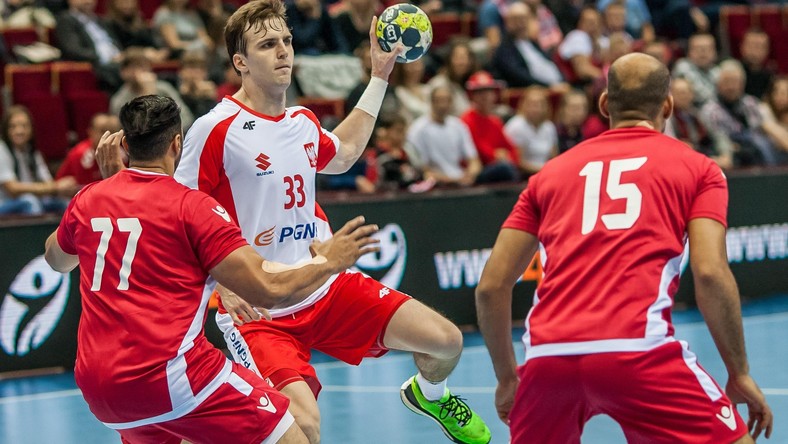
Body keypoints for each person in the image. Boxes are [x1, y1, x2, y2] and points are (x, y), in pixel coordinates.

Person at [170, 2, 491, 443]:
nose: (283, 51)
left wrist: (379, 76)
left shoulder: (301, 121)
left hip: (326, 286)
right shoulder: (216, 128)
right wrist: (220, 281)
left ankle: (430, 395)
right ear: (240, 62)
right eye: (267, 44)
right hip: (262, 310)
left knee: (447, 341)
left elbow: (344, 153)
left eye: (286, 41)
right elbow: (177, 210)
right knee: (305, 428)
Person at [475, 53, 774, 443]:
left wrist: (507, 378)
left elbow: (491, 287)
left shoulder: (548, 174)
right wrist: (739, 372)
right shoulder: (699, 169)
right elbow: (710, 273)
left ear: (604, 105)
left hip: (549, 358)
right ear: (667, 106)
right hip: (640, 350)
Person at [48, 94, 381, 444]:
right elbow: (268, 289)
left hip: (100, 389)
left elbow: (57, 259)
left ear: (125, 146)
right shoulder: (191, 207)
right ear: (176, 144)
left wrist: (109, 186)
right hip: (172, 377)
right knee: (298, 436)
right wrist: (329, 261)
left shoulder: (88, 199)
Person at [0, 105, 77, 216]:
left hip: (32, 198)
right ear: (6, 130)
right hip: (5, 203)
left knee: (64, 203)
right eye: (13, 126)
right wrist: (55, 187)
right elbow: (13, 189)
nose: (19, 131)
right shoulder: (2, 149)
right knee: (30, 202)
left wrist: (61, 187)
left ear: (31, 129)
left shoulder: (32, 152)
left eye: (24, 126)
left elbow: (48, 182)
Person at [56, 113, 121, 186]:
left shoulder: (125, 153)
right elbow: (60, 182)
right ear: (91, 132)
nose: (110, 136)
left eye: (113, 131)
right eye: (103, 131)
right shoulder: (79, 154)